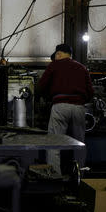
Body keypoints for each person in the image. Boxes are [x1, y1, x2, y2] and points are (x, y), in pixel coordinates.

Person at [37, 44, 94, 173]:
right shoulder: (82, 68)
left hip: (60, 106)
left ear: (58, 54)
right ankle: (80, 177)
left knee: (54, 144)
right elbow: (90, 92)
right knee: (79, 144)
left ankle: (55, 177)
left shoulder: (54, 66)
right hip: (79, 108)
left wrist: (48, 97)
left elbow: (41, 86)